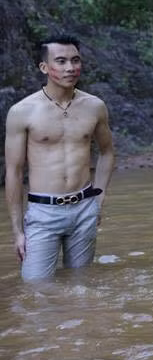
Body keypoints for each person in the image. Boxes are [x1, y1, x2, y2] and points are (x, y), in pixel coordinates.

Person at [4, 35, 116, 280]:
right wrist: (17, 231)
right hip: (43, 212)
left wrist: (99, 198)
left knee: (81, 284)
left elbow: (107, 152)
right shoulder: (22, 111)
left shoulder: (94, 106)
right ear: (44, 67)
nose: (70, 68)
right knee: (35, 287)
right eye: (61, 61)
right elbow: (14, 172)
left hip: (85, 207)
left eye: (75, 60)